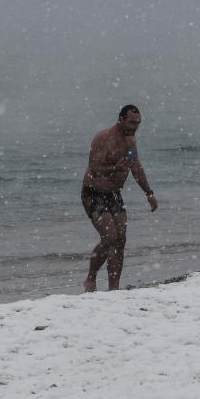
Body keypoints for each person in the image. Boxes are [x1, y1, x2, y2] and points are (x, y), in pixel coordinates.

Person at [81, 104, 158, 292]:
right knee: (109, 237)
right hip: (93, 193)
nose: (135, 127)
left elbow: (136, 167)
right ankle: (90, 278)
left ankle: (114, 288)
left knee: (121, 239)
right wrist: (115, 168)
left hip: (114, 194)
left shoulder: (131, 141)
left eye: (138, 123)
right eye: (132, 122)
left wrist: (149, 193)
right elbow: (94, 169)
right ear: (121, 119)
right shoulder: (103, 138)